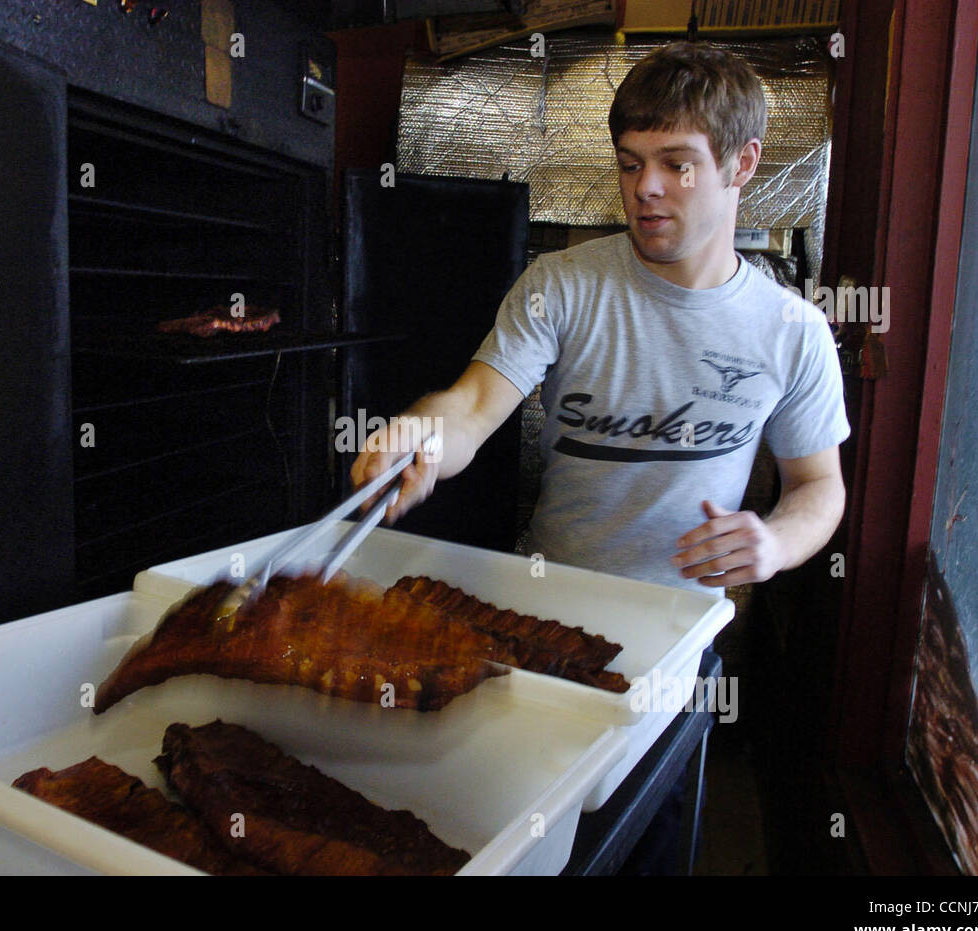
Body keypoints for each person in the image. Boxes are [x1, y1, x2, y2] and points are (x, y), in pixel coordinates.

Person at [351, 42, 848, 595]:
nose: (645, 187)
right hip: (546, 610)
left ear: (743, 164)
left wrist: (776, 542)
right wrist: (426, 435)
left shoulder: (793, 330)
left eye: (676, 164)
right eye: (630, 164)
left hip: (678, 632)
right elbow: (471, 407)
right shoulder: (561, 285)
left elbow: (818, 484)